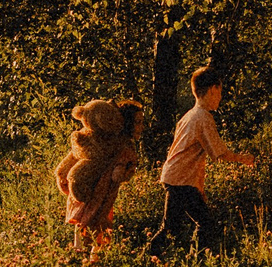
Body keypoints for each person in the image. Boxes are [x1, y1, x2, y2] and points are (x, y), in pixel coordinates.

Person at [157, 66, 254, 248]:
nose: (220, 97)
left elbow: (193, 156)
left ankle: (179, 259)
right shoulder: (203, 117)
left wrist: (199, 188)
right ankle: (198, 260)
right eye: (220, 92)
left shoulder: (188, 116)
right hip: (180, 180)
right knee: (201, 225)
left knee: (175, 227)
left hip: (178, 177)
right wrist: (244, 158)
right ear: (212, 89)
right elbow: (219, 153)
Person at [53, 97, 143, 248]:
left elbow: (126, 169)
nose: (141, 127)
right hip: (91, 191)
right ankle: (87, 262)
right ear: (127, 123)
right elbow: (77, 155)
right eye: (138, 122)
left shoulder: (119, 143)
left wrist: (122, 171)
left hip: (100, 193)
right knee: (89, 228)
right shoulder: (113, 142)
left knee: (94, 228)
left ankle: (89, 260)